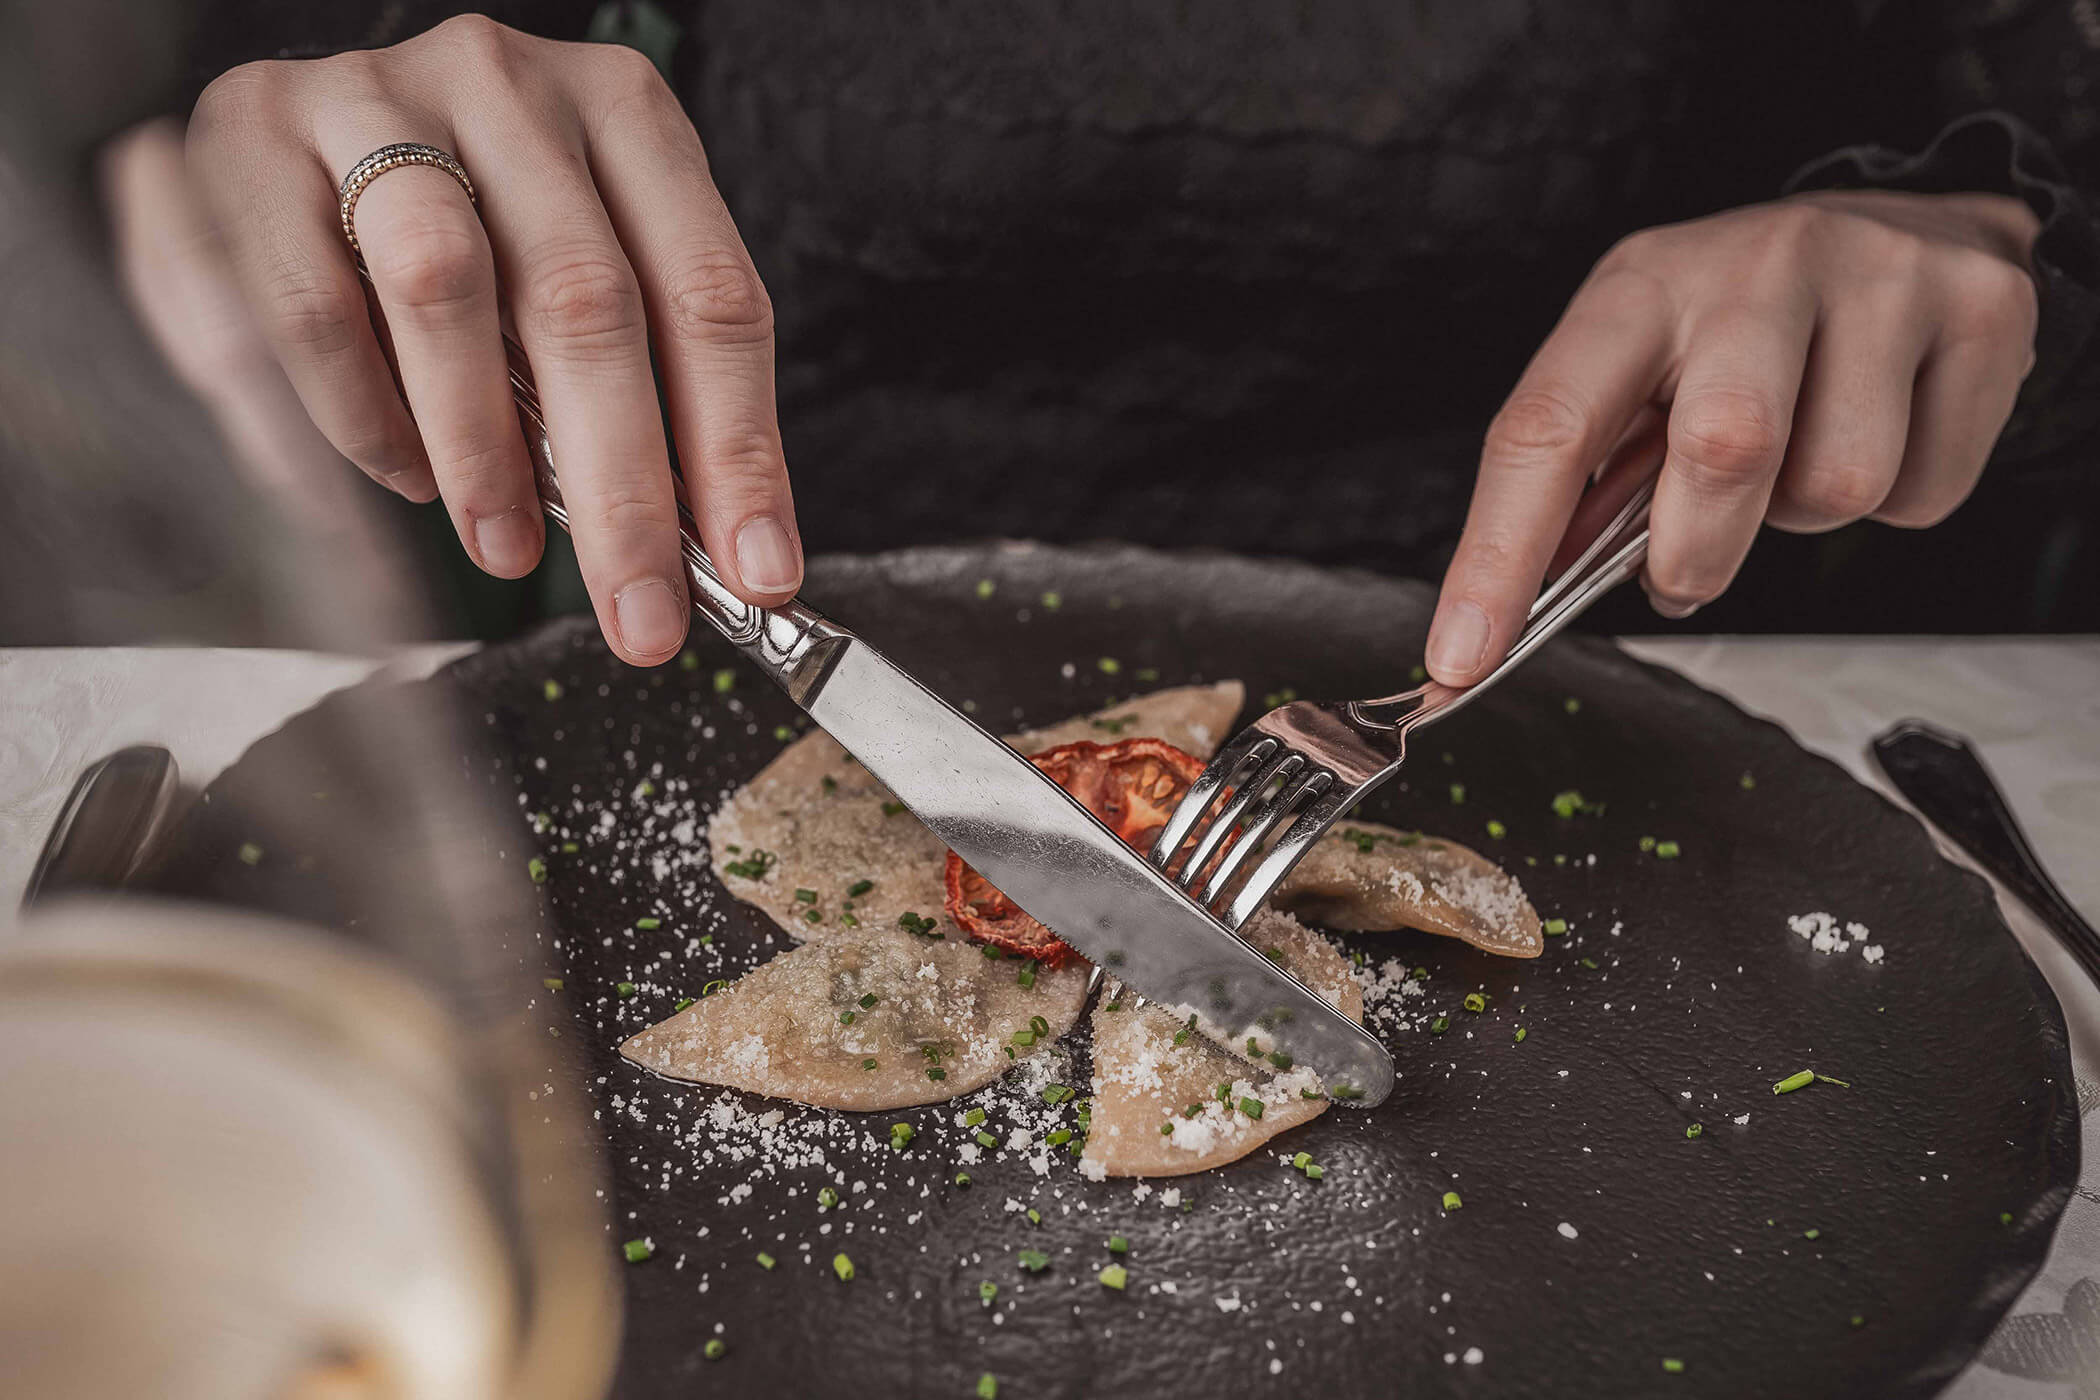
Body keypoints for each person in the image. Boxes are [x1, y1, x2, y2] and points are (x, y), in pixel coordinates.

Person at [120, 2, 2100, 677]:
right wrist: (307, 133)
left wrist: (1956, 224)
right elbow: (267, 75)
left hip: (1634, 699)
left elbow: (2010, 115)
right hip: (729, 665)